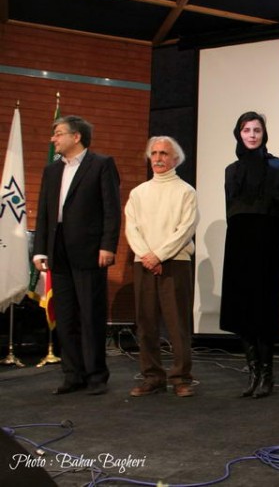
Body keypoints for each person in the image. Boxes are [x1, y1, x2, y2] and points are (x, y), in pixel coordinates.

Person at [33, 115, 121, 396]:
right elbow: (44, 212)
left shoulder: (101, 164)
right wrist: (40, 249)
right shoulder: (52, 170)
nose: (53, 139)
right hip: (58, 250)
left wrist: (108, 246)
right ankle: (73, 374)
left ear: (76, 136)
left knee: (90, 314)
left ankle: (96, 375)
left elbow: (111, 209)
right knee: (66, 315)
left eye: (58, 133)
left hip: (90, 252)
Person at [219, 112, 279, 398]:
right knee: (243, 310)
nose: (251, 134)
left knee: (265, 310)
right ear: (239, 134)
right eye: (246, 130)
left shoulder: (278, 166)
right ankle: (253, 373)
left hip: (268, 246)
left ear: (264, 134)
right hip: (239, 247)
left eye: (256, 130)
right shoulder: (231, 170)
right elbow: (231, 211)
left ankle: (268, 375)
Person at [124, 136, 198, 398]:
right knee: (146, 323)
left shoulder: (186, 191)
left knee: (178, 323)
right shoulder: (138, 193)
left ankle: (180, 378)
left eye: (164, 153)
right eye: (154, 153)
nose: (158, 158)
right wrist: (148, 256)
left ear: (175, 159)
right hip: (144, 262)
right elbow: (131, 228)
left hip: (175, 262)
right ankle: (153, 377)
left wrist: (159, 256)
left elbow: (186, 229)